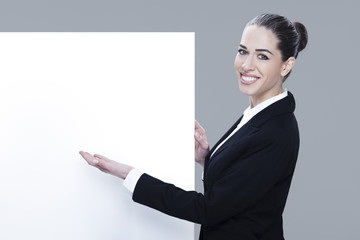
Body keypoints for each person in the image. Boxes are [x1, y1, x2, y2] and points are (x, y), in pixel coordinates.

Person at [79, 13, 308, 240]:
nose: (246, 65)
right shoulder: (258, 114)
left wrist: (128, 174)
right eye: (243, 51)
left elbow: (209, 209)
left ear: (286, 65)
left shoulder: (276, 131)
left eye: (263, 57)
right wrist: (207, 159)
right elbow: (240, 188)